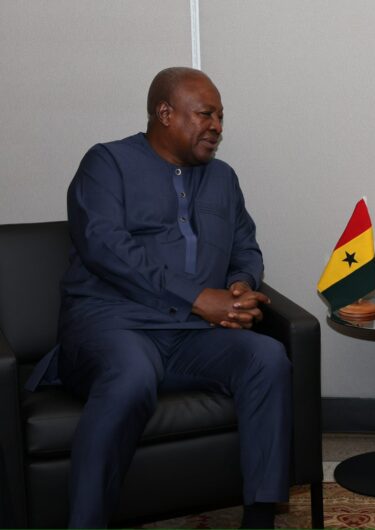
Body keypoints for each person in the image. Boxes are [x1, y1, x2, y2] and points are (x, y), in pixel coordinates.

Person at [26, 67, 290, 528]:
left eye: (221, 117)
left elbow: (245, 247)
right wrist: (197, 297)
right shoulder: (107, 163)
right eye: (205, 114)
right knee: (130, 377)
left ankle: (260, 516)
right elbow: (105, 247)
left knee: (267, 358)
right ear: (165, 113)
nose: (217, 127)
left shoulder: (223, 178)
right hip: (114, 325)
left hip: (192, 335)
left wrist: (240, 285)